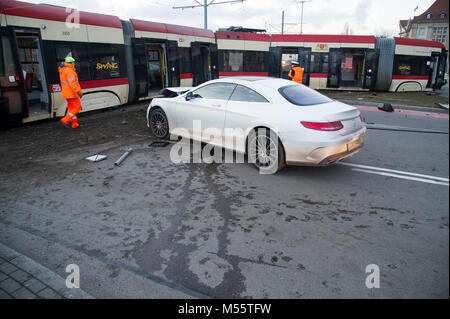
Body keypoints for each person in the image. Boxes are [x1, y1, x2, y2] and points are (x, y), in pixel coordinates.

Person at [59, 56, 83, 128]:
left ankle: (74, 124)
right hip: (72, 93)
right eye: (73, 62)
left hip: (67, 94)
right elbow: (72, 83)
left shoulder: (63, 70)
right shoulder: (69, 71)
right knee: (77, 107)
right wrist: (78, 92)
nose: (74, 64)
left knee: (71, 110)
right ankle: (65, 120)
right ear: (71, 63)